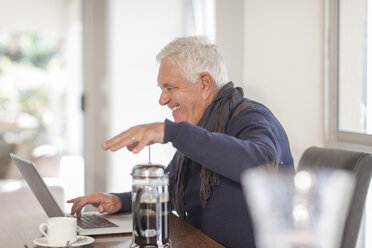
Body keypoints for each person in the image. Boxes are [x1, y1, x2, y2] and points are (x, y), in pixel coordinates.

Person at [67, 36, 294, 247]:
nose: (162, 99)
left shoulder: (250, 116)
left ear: (204, 84)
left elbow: (262, 165)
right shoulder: (200, 127)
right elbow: (172, 188)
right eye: (161, 88)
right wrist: (118, 200)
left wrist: (173, 132)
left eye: (170, 87)